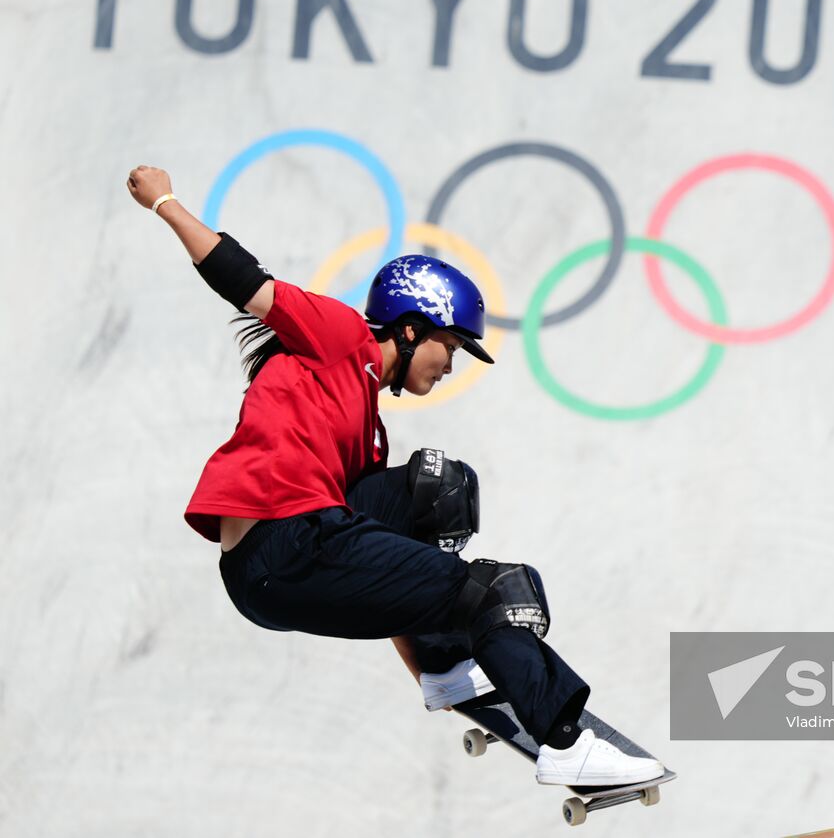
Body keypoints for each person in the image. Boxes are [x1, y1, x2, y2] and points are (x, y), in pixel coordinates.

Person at [126, 164, 663, 787]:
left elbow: (384, 569)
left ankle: (442, 661)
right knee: (499, 593)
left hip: (298, 551)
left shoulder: (364, 429)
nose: (451, 366)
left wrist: (428, 674)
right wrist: (165, 201)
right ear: (410, 329)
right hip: (282, 542)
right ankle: (565, 741)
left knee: (442, 488)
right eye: (451, 347)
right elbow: (243, 280)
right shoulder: (339, 335)